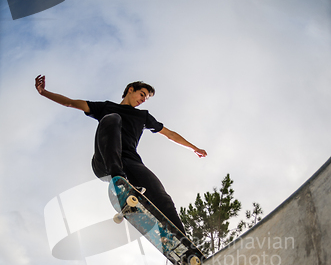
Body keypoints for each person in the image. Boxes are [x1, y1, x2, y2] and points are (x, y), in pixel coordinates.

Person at [35, 75, 207, 234]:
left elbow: (170, 134)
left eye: (145, 98)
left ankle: (183, 242)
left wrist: (194, 148)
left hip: (131, 163)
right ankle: (120, 182)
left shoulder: (143, 116)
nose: (142, 100)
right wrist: (44, 93)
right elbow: (71, 103)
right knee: (112, 118)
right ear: (130, 89)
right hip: (105, 161)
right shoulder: (106, 107)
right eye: (142, 94)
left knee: (161, 196)